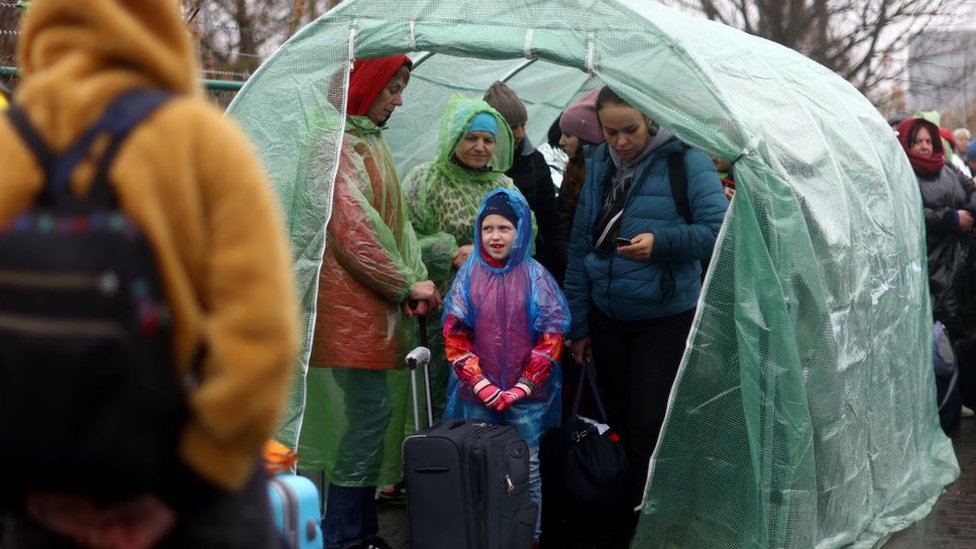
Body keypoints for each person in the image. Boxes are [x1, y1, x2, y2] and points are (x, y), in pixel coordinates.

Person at [0, 1, 298, 547]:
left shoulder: (9, 144)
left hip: (38, 505)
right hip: (186, 506)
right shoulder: (202, 144)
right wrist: (186, 488)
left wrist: (31, 497)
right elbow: (259, 342)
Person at [563, 86, 728, 545]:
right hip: (606, 315)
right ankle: (617, 522)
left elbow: (718, 230)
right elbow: (580, 245)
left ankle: (650, 525)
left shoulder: (685, 159)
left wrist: (661, 243)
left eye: (630, 130)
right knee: (613, 420)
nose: (620, 142)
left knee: (647, 424)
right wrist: (578, 325)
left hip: (663, 318)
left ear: (651, 119)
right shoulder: (598, 162)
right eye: (610, 131)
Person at [300, 55, 440, 549]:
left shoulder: (367, 143)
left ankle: (360, 531)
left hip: (370, 314)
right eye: (392, 89)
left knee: (368, 420)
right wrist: (406, 283)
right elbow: (354, 233)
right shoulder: (335, 148)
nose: (399, 101)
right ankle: (345, 535)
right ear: (364, 87)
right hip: (350, 317)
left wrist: (413, 279)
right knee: (364, 421)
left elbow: (395, 229)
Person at [442, 188, 570, 546]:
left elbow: (552, 335)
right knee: (476, 463)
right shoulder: (469, 277)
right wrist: (479, 381)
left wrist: (525, 385)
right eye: (488, 228)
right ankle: (482, 535)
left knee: (526, 467)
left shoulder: (536, 277)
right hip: (476, 395)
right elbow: (455, 335)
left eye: (504, 228)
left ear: (521, 231)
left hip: (526, 398)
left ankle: (529, 535)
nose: (495, 236)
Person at [402, 94, 522, 421]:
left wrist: (482, 251)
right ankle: (437, 456)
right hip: (438, 304)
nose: (480, 146)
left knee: (484, 384)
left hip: (492, 307)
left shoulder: (504, 187)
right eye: (471, 137)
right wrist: (446, 251)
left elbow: (527, 240)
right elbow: (405, 240)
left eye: (488, 139)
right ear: (453, 137)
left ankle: (478, 457)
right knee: (437, 384)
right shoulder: (425, 180)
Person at [896, 117, 976, 419]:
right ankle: (944, 405)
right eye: (918, 141)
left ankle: (961, 395)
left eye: (929, 141)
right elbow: (913, 212)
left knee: (959, 332)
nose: (926, 146)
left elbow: (971, 190)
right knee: (938, 336)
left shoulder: (948, 169)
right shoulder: (903, 174)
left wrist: (968, 212)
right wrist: (952, 220)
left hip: (960, 265)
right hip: (930, 269)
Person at [483, 81, 561, 278]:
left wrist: (554, 273)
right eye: (511, 127)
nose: (520, 133)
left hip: (529, 264)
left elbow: (549, 221)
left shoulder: (534, 161)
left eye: (523, 125)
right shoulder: (478, 166)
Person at [554, 89, 604, 285]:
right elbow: (561, 224)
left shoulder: (608, 174)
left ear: (586, 138)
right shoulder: (573, 172)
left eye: (568, 135)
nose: (561, 141)